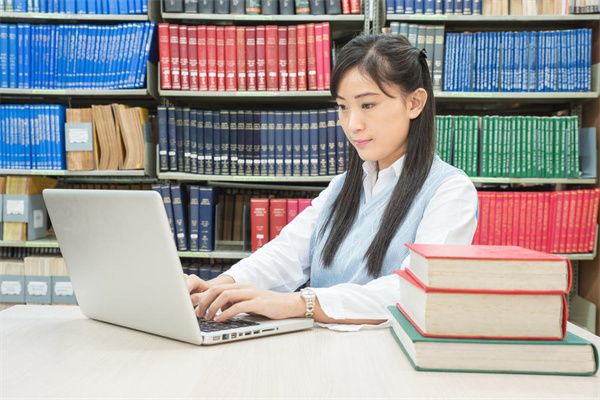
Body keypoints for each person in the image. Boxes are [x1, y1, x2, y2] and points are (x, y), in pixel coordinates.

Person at [185, 33, 478, 330]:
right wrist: (220, 287)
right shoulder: (341, 187)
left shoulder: (450, 190)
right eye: (342, 106)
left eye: (367, 105)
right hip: (319, 352)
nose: (353, 125)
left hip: (387, 361)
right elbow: (285, 254)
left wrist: (299, 304)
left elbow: (415, 291)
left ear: (414, 103)